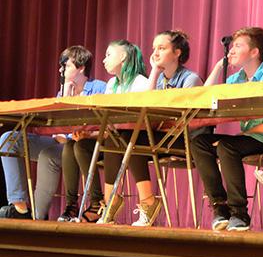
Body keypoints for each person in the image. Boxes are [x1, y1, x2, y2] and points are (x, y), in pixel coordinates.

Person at [190, 27, 263, 232]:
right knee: (199, 142)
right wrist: (217, 68)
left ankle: (239, 213)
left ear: (254, 52)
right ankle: (219, 207)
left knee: (227, 146)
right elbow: (205, 97)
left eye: (238, 46)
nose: (231, 50)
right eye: (231, 46)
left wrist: (245, 134)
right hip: (254, 138)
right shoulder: (236, 79)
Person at [0, 46, 105, 220]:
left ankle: (37, 216)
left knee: (47, 155)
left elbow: (99, 124)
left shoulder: (99, 88)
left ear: (81, 68)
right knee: (8, 139)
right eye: (60, 66)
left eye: (66, 66)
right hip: (59, 141)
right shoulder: (62, 90)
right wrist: (64, 98)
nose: (60, 70)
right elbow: (53, 127)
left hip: (82, 145)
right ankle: (19, 206)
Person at [75, 40, 150, 224]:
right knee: (81, 145)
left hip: (139, 135)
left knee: (119, 139)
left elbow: (142, 117)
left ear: (123, 56)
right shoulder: (111, 84)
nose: (103, 60)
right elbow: (108, 122)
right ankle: (100, 201)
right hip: (116, 137)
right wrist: (91, 135)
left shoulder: (140, 82)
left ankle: (146, 201)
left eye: (108, 55)